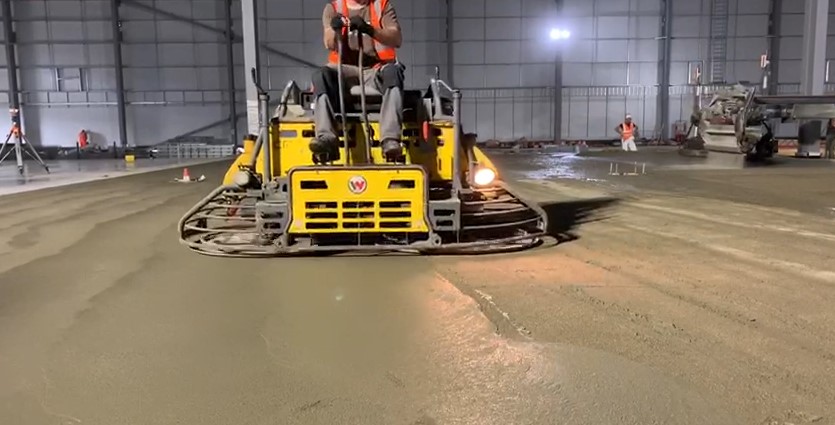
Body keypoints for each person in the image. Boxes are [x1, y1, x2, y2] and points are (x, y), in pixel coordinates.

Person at [310, 0, 404, 162]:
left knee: (394, 73)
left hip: (376, 69)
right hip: (344, 70)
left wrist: (369, 29)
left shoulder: (381, 6)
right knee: (321, 75)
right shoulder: (334, 8)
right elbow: (329, 43)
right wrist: (336, 29)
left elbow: (396, 39)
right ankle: (327, 138)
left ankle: (390, 139)